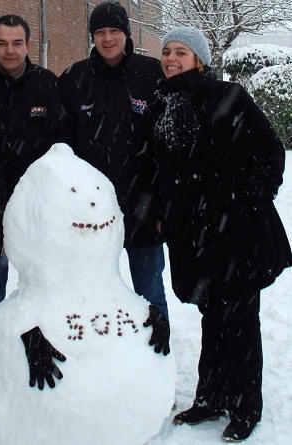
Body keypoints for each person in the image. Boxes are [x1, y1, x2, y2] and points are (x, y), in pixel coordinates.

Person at [146, 26, 292, 441]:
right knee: (212, 315)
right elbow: (160, 170)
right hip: (192, 236)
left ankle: (246, 407)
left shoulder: (229, 98)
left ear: (200, 60)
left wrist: (243, 200)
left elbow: (269, 153)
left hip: (236, 235)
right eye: (167, 52)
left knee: (241, 320)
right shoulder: (162, 103)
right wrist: (160, 212)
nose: (172, 59)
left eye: (182, 52)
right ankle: (211, 396)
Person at [58, 1, 169, 354]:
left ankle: (155, 361)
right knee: (87, 291)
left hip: (144, 207)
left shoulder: (151, 74)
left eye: (114, 31)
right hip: (91, 213)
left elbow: (166, 146)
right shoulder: (75, 78)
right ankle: (97, 362)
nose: (107, 39)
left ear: (126, 33)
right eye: (100, 32)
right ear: (92, 37)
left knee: (149, 292)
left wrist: (161, 205)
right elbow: (61, 145)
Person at [0, 14, 67, 320]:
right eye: (2, 43)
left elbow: (62, 142)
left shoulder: (47, 84)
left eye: (17, 43)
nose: (10, 50)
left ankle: (39, 355)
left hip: (38, 208)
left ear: (28, 44)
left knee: (43, 288)